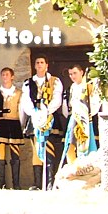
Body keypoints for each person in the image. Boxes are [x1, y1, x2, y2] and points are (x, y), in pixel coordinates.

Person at [20, 56, 65, 191]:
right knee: (36, 149)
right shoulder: (28, 82)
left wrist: (46, 111)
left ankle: (50, 182)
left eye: (42, 63)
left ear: (46, 66)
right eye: (37, 63)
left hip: (49, 117)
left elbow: (57, 99)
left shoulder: (55, 81)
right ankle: (37, 183)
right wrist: (34, 113)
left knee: (49, 147)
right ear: (35, 66)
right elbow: (25, 100)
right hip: (34, 117)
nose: (39, 65)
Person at [0, 67, 25, 189]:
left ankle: (16, 183)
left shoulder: (19, 93)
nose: (5, 77)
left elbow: (21, 111)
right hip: (0, 124)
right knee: (0, 155)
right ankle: (1, 182)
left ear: (12, 77)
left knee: (15, 154)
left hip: (14, 124)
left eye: (7, 74)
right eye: (3, 75)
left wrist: (22, 124)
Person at [61, 64, 100, 165]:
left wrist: (87, 115)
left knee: (87, 145)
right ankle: (74, 167)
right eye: (70, 74)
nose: (72, 76)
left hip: (86, 119)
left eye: (75, 73)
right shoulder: (72, 87)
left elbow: (96, 102)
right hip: (74, 118)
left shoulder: (89, 85)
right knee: (70, 146)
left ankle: (86, 167)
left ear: (81, 72)